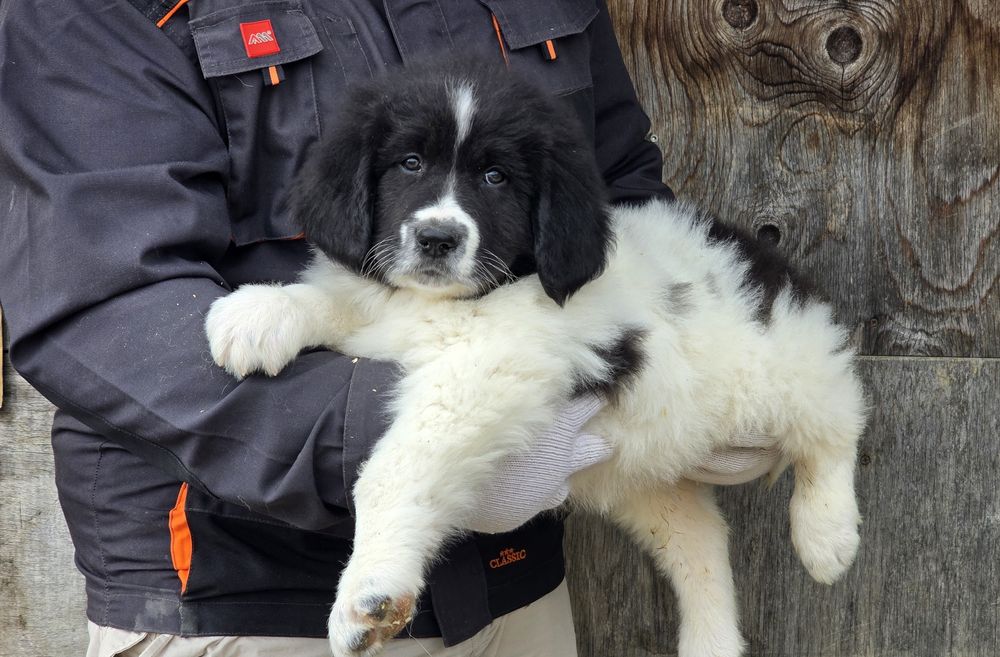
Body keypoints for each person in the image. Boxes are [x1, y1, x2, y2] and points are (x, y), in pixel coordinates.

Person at [0, 1, 778, 655]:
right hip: (251, 597)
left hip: (515, 584)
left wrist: (708, 352)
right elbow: (105, 304)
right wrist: (411, 440)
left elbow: (611, 195)